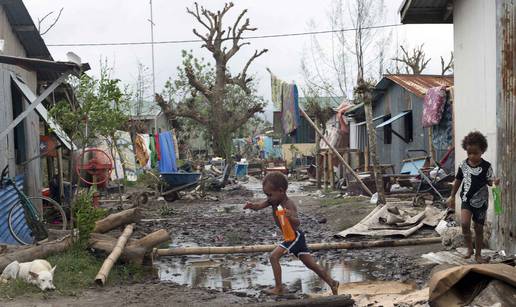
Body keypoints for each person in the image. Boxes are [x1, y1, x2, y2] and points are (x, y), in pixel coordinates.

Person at [244, 172, 339, 295]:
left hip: (294, 236)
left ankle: (278, 288)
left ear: (281, 191)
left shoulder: (288, 204)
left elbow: (297, 222)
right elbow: (259, 206)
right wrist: (251, 206)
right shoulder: (272, 201)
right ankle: (332, 283)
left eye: (269, 194)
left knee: (273, 257)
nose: (268, 197)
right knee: (311, 264)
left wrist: (289, 216)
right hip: (293, 237)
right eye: (266, 195)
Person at [447, 131, 499, 263]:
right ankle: (469, 248)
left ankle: (478, 255)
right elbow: (458, 180)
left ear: (482, 151)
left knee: (479, 228)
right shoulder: (463, 165)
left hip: (481, 201)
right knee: (464, 224)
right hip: (466, 199)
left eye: (475, 153)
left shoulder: (486, 166)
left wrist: (494, 182)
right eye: (469, 153)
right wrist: (452, 196)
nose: (472, 156)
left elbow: (489, 181)